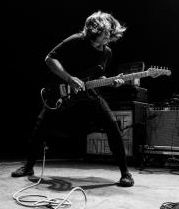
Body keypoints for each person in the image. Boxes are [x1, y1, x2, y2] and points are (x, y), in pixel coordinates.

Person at [11, 11, 134, 187]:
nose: (110, 35)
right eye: (106, 31)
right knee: (41, 125)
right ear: (95, 29)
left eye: (111, 32)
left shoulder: (107, 52)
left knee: (112, 125)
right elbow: (49, 58)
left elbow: (97, 76)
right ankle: (28, 167)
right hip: (61, 91)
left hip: (89, 93)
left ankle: (125, 173)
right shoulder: (77, 40)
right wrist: (69, 78)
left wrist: (112, 82)